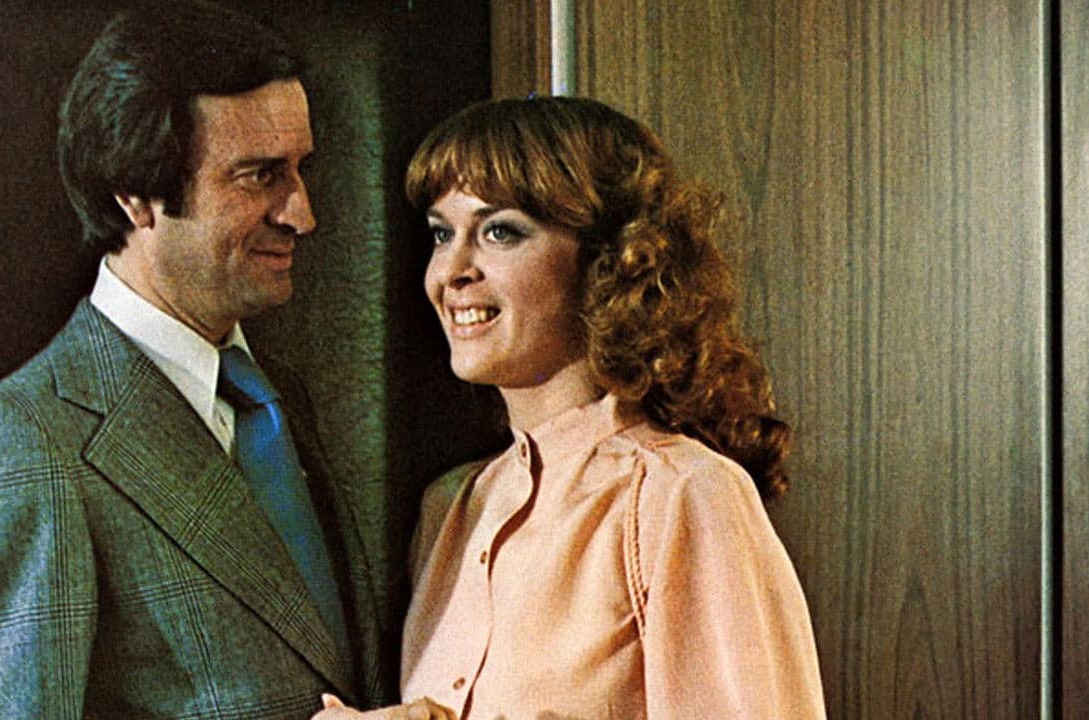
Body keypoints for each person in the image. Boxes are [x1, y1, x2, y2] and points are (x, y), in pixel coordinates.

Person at [0, 5, 390, 718]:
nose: (302, 214)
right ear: (134, 194)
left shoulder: (277, 399)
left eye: (301, 170)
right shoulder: (14, 440)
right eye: (260, 176)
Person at [318, 96, 825, 719]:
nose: (452, 270)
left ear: (609, 261)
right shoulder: (449, 509)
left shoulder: (683, 495)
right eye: (442, 234)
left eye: (500, 232)